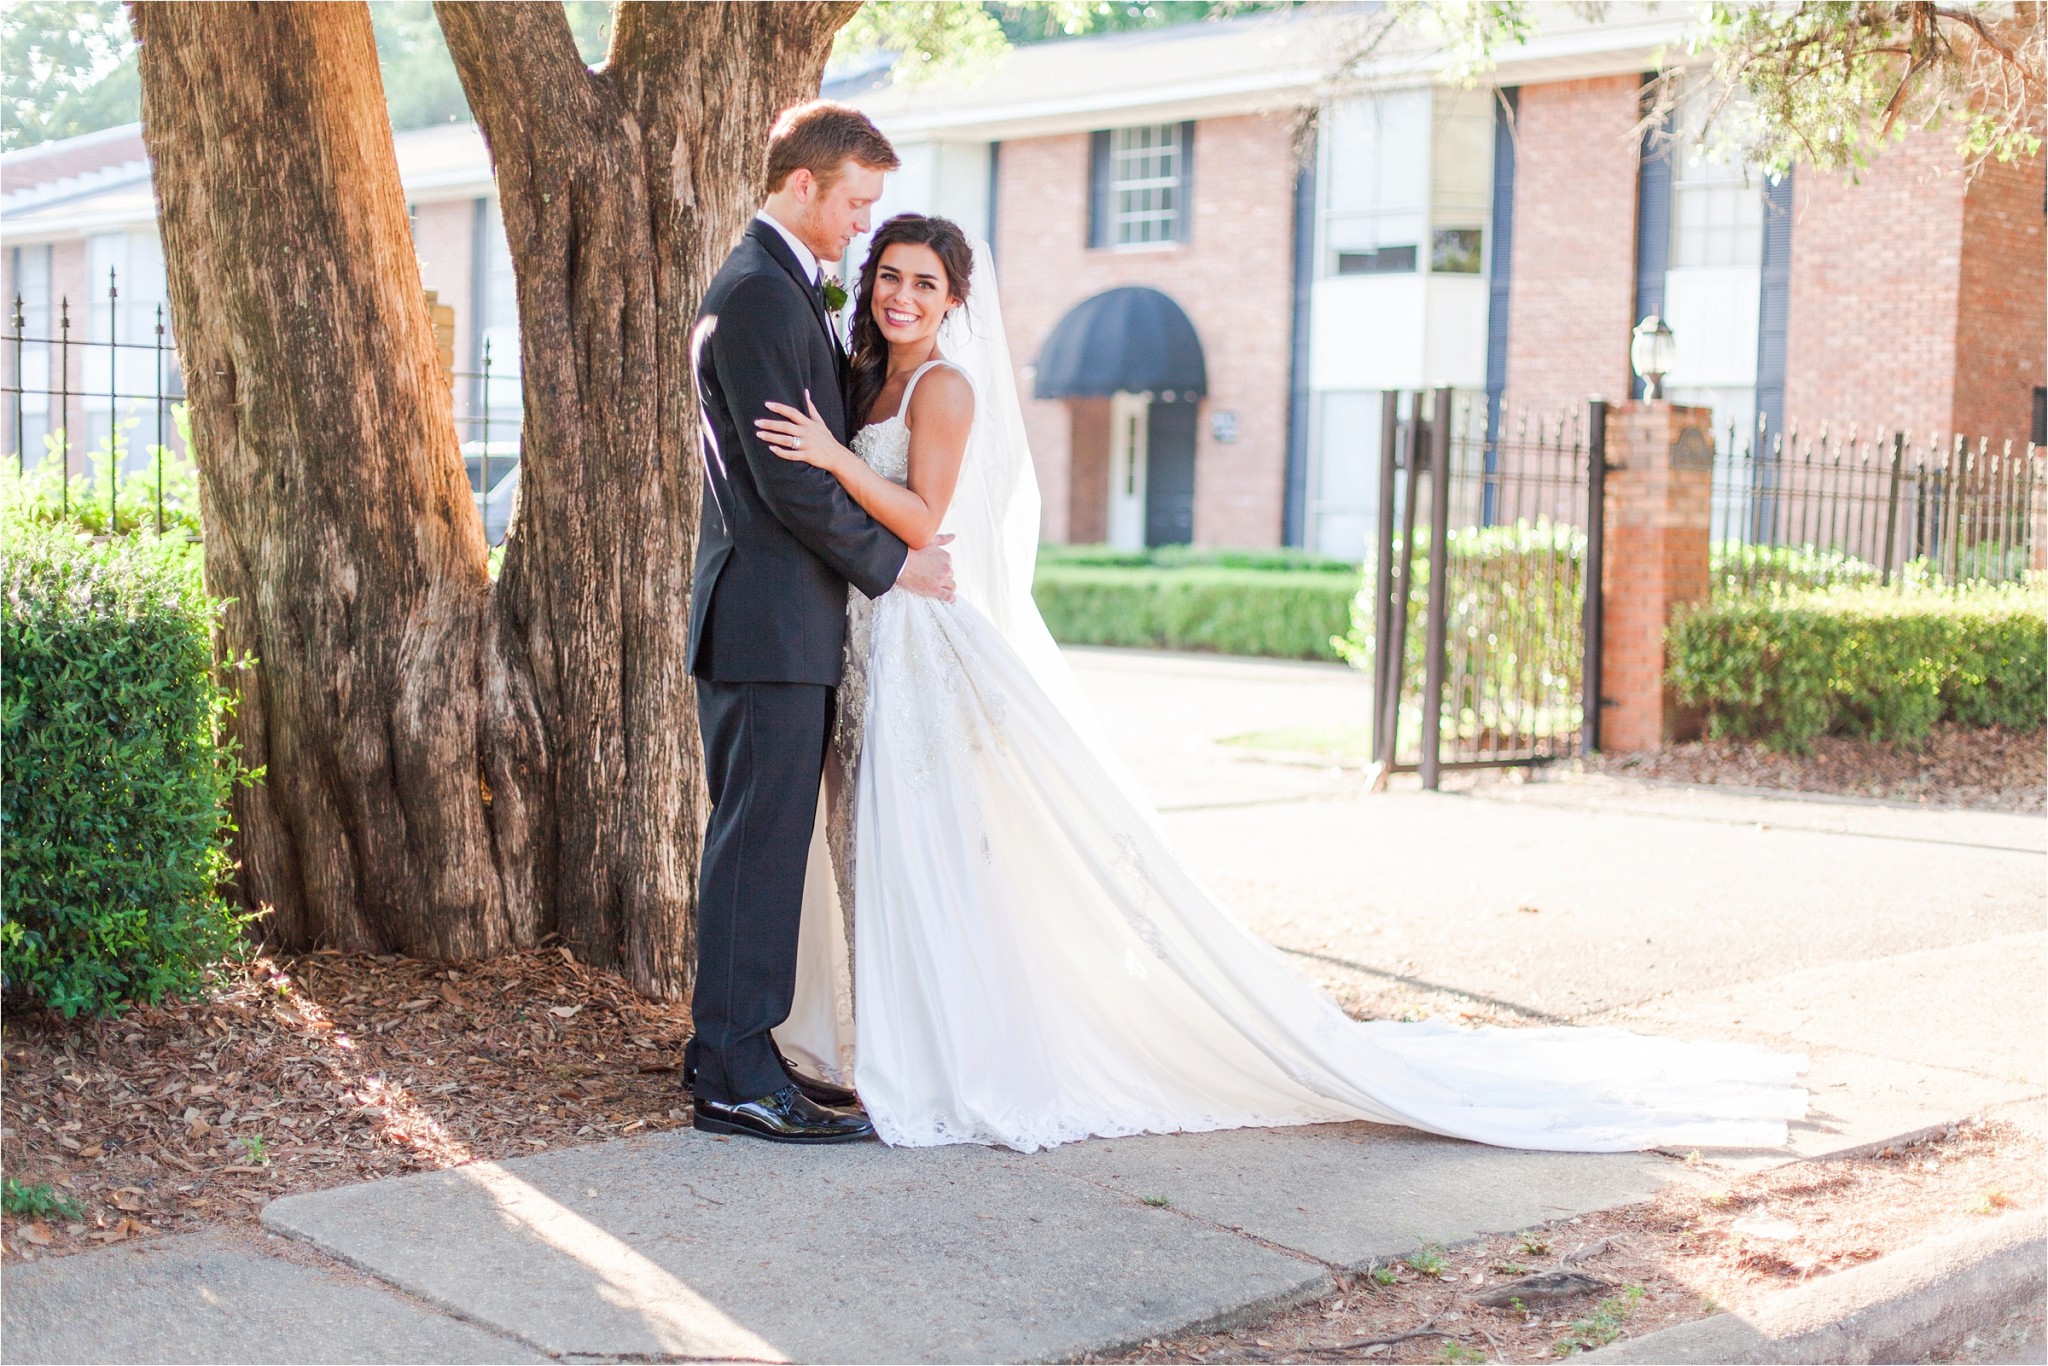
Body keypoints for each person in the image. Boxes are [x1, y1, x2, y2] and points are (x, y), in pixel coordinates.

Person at [753, 212, 1808, 1154]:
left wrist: (833, 460)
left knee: (932, 849)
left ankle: (950, 1061)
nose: (899, 295)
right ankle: (898, 1043)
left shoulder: (941, 385)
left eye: (922, 284)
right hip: (870, 641)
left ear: (955, 301)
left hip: (926, 652)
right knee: (883, 850)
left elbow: (925, 520)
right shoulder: (869, 382)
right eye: (887, 275)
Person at [685, 103, 955, 1145]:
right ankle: (737, 1077)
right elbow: (788, 486)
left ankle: (728, 1052)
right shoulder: (757, 293)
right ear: (803, 186)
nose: (860, 224)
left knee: (757, 845)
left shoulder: (779, 286)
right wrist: (894, 566)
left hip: (777, 624)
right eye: (853, 202)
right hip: (765, 624)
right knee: (757, 850)